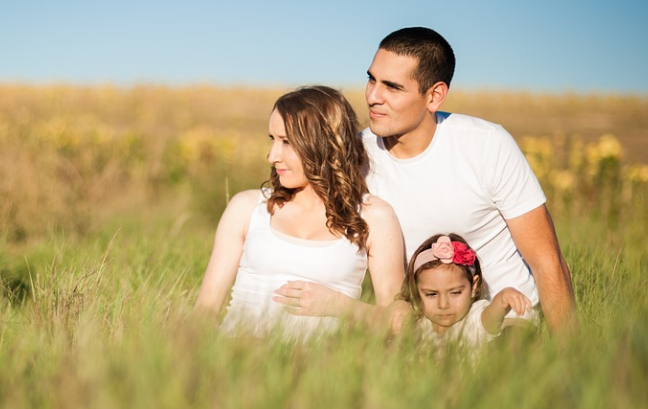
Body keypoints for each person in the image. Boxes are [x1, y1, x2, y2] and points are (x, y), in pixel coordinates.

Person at [355, 26, 574, 334]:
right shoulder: (355, 155)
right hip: (420, 326)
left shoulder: (487, 144)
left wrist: (571, 360)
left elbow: (547, 261)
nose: (373, 96)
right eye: (371, 79)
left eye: (392, 87)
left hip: (505, 322)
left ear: (434, 96)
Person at [193, 85, 405, 340]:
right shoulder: (247, 208)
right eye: (272, 139)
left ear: (324, 143)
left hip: (322, 373)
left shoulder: (374, 216)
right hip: (237, 364)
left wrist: (339, 306)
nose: (273, 156)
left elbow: (400, 322)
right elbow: (204, 312)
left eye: (287, 142)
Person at [400, 233, 534, 355]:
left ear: (474, 287)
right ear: (416, 291)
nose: (443, 304)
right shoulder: (418, 323)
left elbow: (492, 316)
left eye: (455, 292)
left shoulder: (473, 320)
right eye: (431, 294)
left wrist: (503, 299)